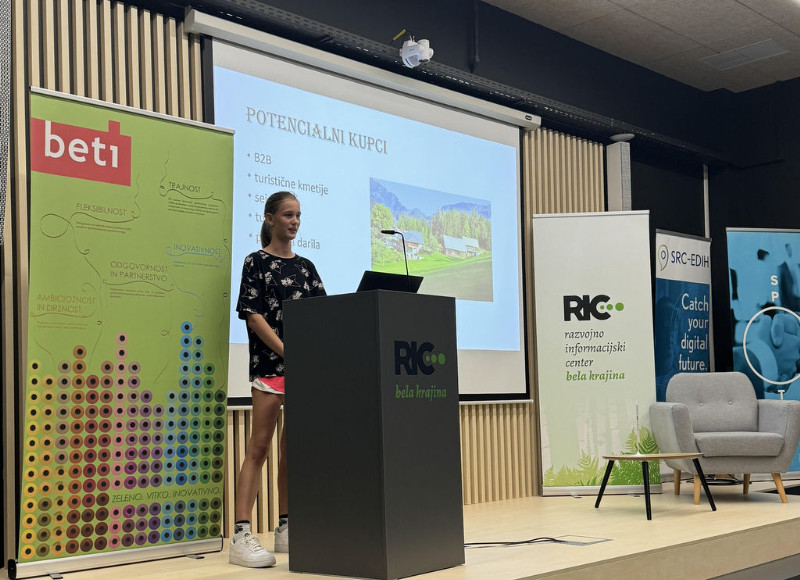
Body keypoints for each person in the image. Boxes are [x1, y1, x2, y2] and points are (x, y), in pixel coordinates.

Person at [229, 191, 326, 568]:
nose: (295, 221)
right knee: (259, 448)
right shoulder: (255, 262)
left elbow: (325, 314)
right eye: (288, 215)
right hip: (270, 367)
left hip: (304, 372)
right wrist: (288, 351)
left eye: (298, 215)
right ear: (270, 218)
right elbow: (253, 315)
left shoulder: (307, 267)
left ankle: (286, 528)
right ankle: (241, 535)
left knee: (292, 451)